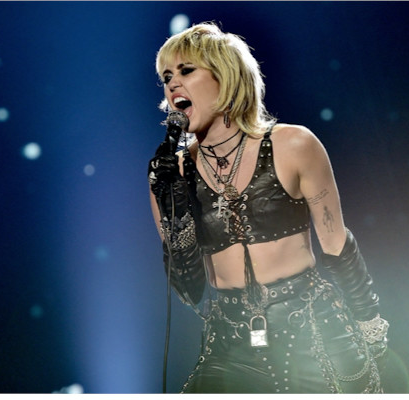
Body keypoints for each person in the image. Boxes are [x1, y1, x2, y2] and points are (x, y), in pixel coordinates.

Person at [147, 22, 389, 393]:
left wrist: (369, 323)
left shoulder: (293, 144)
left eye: (186, 70)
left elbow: (336, 244)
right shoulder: (171, 173)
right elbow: (189, 288)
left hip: (312, 330)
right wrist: (172, 201)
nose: (172, 84)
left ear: (226, 76)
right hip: (230, 340)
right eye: (166, 77)